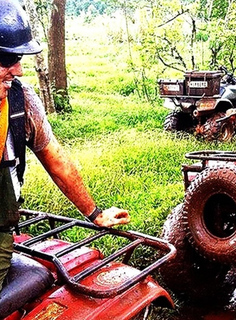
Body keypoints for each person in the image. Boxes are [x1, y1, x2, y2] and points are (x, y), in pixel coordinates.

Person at [0, 0, 130, 290]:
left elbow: (55, 159)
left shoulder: (21, 102)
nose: (18, 70)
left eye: (19, 59)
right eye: (8, 60)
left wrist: (95, 214)